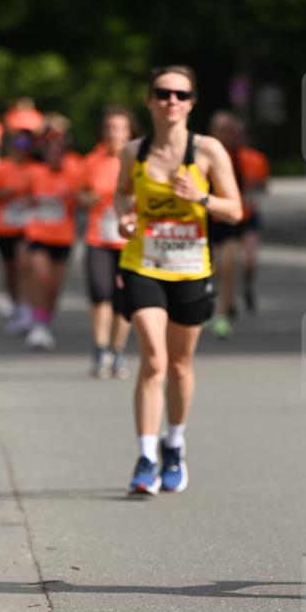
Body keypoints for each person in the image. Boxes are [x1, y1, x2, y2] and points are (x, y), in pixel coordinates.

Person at [115, 65, 242, 494]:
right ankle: (146, 456)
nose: (171, 101)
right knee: (153, 358)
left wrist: (200, 197)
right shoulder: (134, 151)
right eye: (162, 93)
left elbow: (235, 210)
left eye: (180, 95)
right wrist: (125, 217)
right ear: (149, 100)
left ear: (191, 103)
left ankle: (174, 444)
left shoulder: (208, 151)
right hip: (143, 264)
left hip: (190, 269)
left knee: (180, 364)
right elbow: (121, 195)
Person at [79, 106, 138, 378]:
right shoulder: (92, 161)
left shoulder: (139, 161)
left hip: (129, 241)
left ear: (129, 132)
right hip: (99, 237)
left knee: (123, 299)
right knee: (100, 294)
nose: (114, 133)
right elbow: (79, 194)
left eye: (119, 128)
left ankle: (117, 351)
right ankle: (100, 349)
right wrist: (94, 198)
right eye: (109, 128)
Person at [22, 125, 82, 350]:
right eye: (51, 151)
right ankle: (37, 324)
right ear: (45, 153)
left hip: (63, 237)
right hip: (38, 233)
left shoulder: (73, 173)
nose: (55, 155)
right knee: (41, 277)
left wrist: (74, 197)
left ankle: (44, 322)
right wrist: (33, 201)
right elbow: (24, 195)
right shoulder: (35, 172)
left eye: (59, 151)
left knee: (54, 287)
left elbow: (84, 198)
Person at [0, 130, 36, 323]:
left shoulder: (35, 169)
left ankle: (25, 305)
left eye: (25, 148)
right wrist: (6, 193)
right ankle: (14, 301)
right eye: (18, 147)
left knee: (24, 266)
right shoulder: (1, 167)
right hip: (3, 227)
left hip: (27, 227)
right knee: (10, 269)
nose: (21, 152)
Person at [206, 110, 244, 338]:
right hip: (207, 218)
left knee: (227, 267)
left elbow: (248, 188)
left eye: (230, 130)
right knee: (209, 268)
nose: (225, 134)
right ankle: (212, 308)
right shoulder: (202, 153)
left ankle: (222, 315)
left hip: (230, 219)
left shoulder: (239, 156)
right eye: (221, 129)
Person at [236, 126, 270, 312]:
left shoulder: (256, 159)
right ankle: (228, 298)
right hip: (227, 216)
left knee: (249, 260)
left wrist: (252, 188)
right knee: (226, 262)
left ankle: (247, 287)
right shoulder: (222, 156)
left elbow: (264, 186)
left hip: (249, 213)